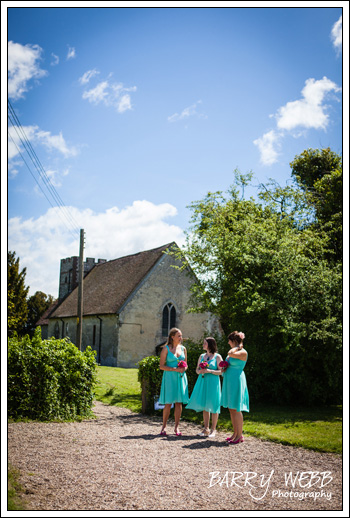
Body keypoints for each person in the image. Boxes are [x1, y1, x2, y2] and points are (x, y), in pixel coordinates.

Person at [186, 337, 223, 437]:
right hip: (202, 382)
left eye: (205, 343)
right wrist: (200, 371)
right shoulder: (202, 356)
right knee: (205, 405)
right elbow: (197, 370)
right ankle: (206, 429)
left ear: (210, 345)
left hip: (213, 383)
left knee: (214, 405)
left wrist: (210, 371)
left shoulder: (217, 357)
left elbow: (221, 371)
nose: (203, 345)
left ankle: (213, 430)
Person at [159, 328, 189, 436]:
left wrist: (183, 369)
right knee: (168, 403)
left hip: (180, 377)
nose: (181, 338)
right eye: (179, 336)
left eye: (181, 336)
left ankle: (177, 427)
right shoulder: (166, 349)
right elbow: (161, 366)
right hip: (169, 377)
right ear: (172, 337)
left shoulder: (183, 349)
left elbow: (186, 365)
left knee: (179, 403)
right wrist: (173, 369)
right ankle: (164, 427)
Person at [221, 331, 249, 444]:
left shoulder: (243, 352)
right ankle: (235, 433)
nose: (228, 343)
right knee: (231, 408)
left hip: (237, 380)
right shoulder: (234, 352)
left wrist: (237, 347)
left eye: (229, 341)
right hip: (229, 380)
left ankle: (239, 435)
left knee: (236, 408)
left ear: (234, 341)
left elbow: (230, 353)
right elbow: (228, 359)